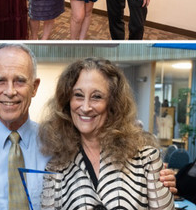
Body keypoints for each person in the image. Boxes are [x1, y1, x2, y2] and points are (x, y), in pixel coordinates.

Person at [0, 44, 177, 209]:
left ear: (35, 87)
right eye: (1, 80)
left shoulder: (56, 145)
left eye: (20, 81)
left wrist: (158, 178)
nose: (10, 91)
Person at [39, 58, 174, 209]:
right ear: (67, 101)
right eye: (78, 95)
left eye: (96, 97)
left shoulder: (146, 160)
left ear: (113, 103)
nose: (85, 107)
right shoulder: (56, 168)